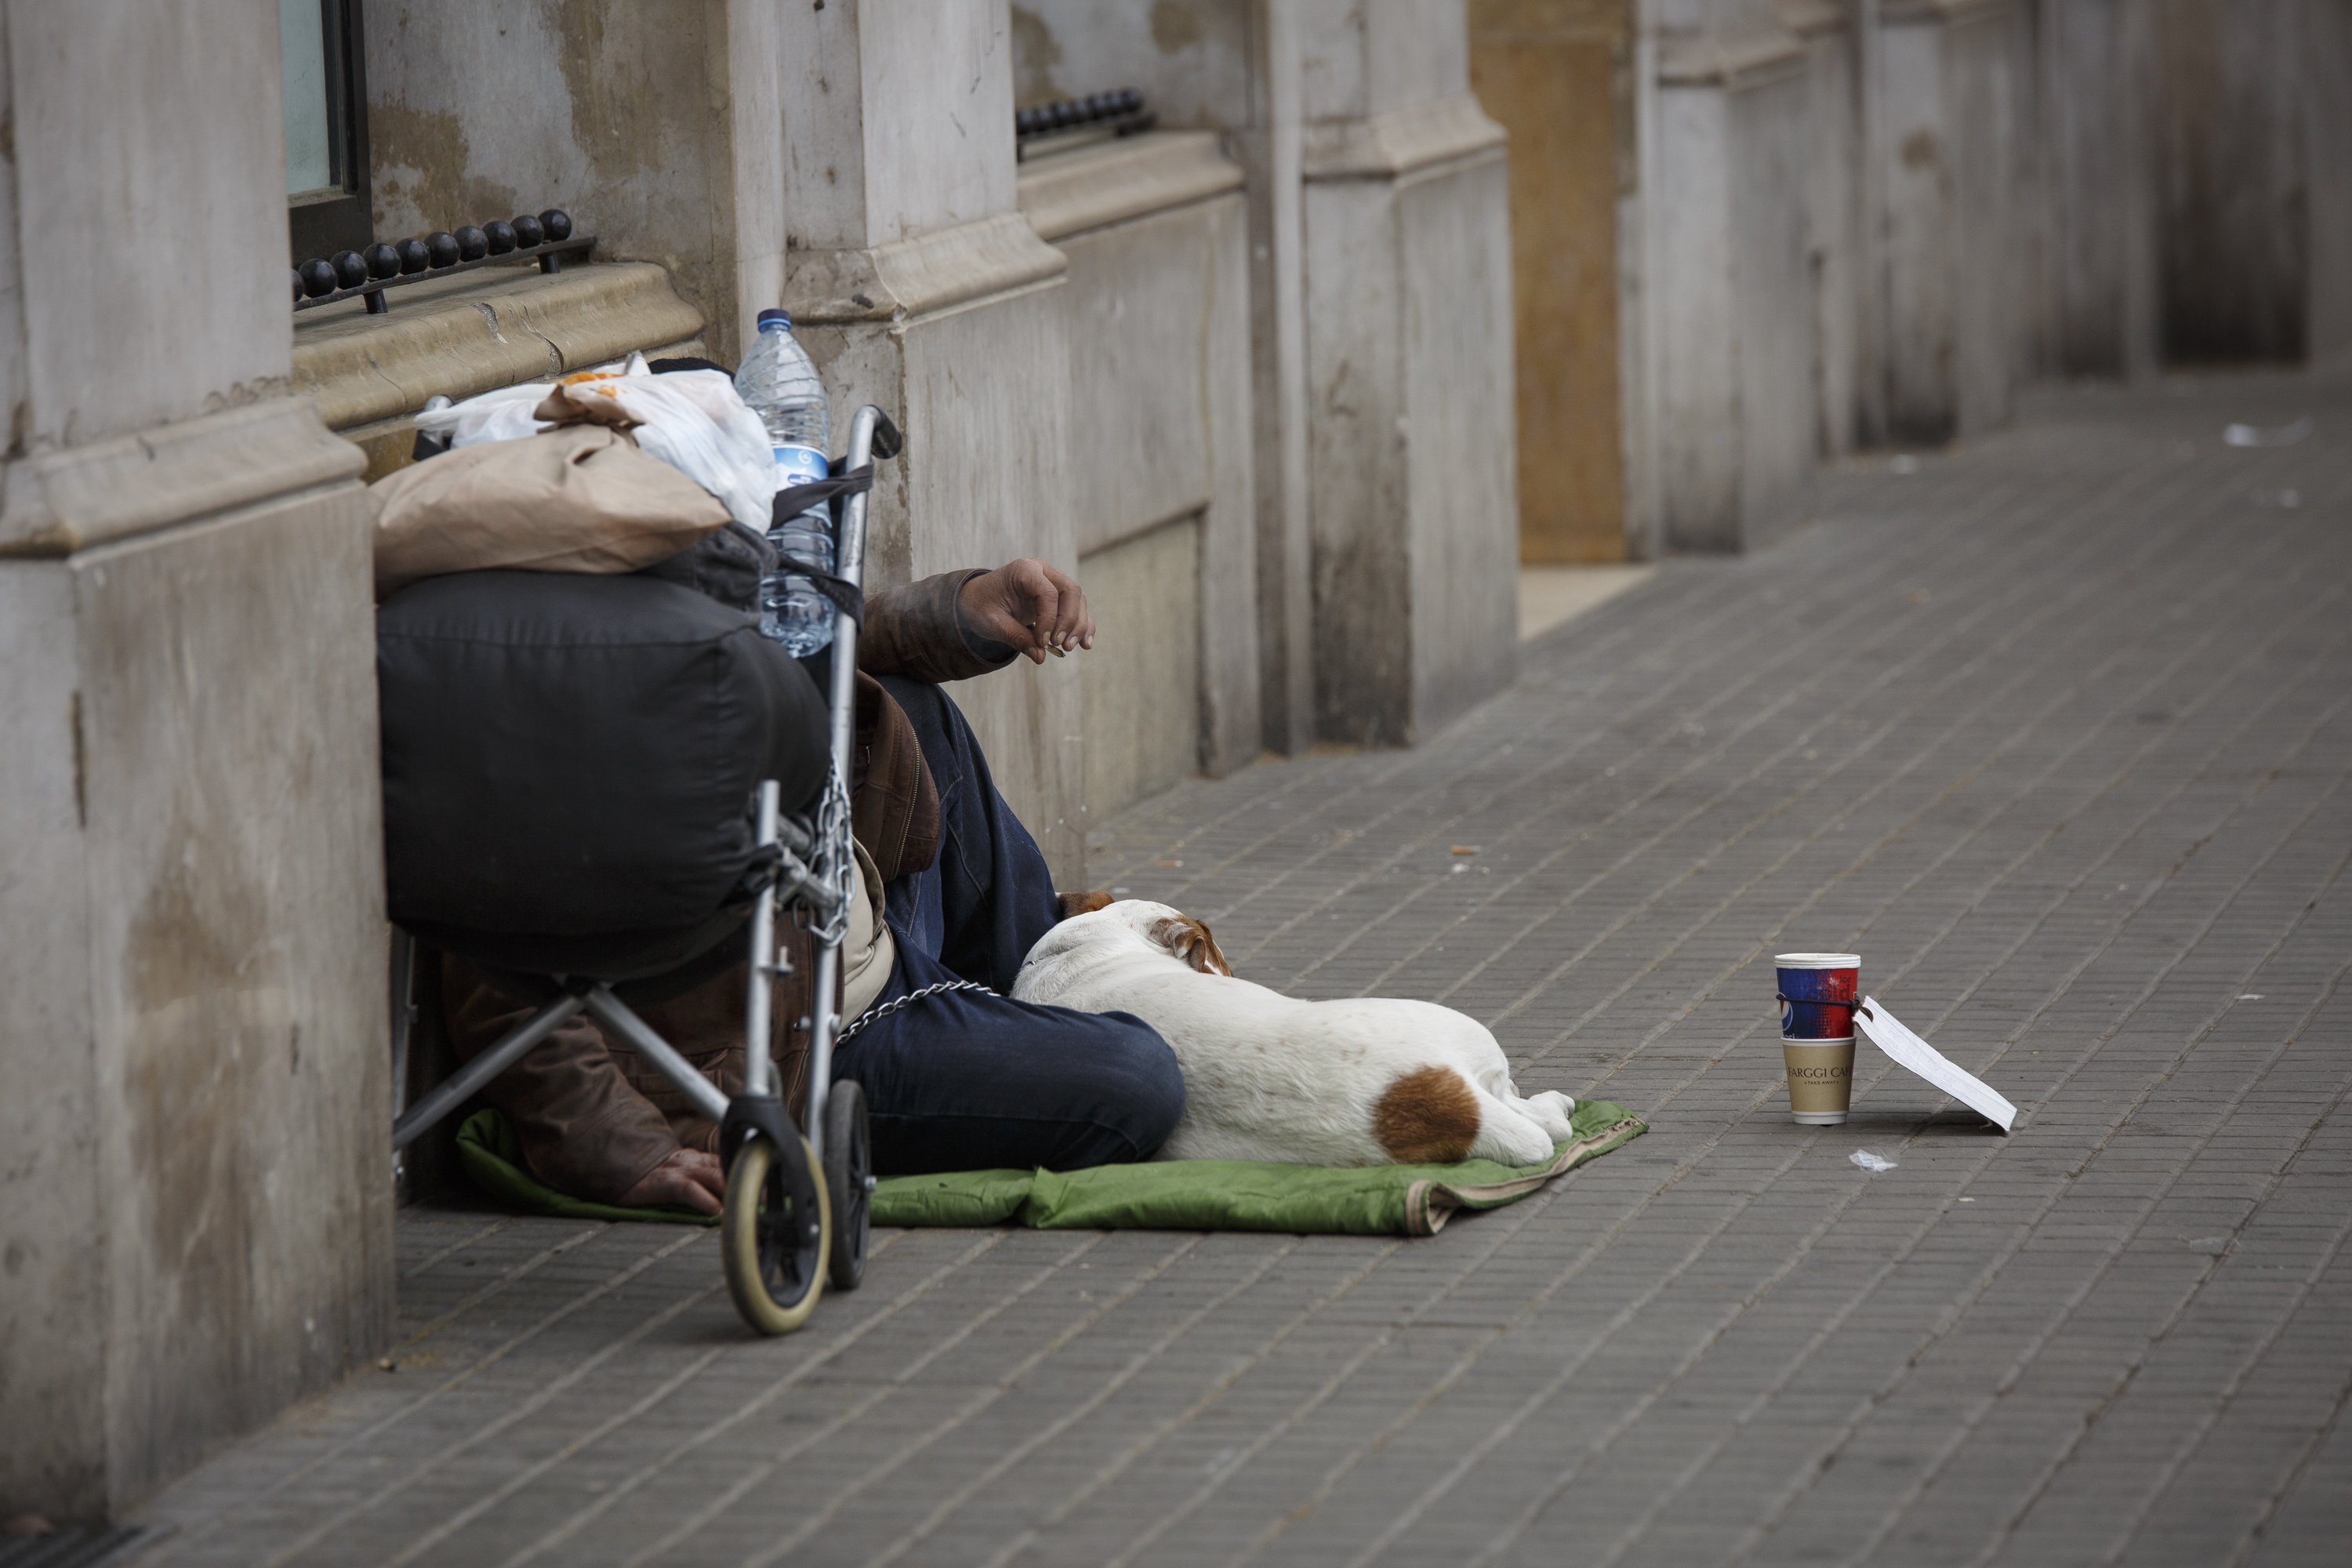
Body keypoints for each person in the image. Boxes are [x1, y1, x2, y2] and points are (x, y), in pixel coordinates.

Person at [441, 558, 1185, 1214]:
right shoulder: (540, 733)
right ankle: (1017, 1031)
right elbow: (499, 991)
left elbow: (817, 637)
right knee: (1141, 1076)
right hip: (817, 1039)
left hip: (858, 929)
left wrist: (968, 609)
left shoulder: (672, 625)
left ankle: (1036, 975)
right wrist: (624, 1149)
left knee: (912, 709)